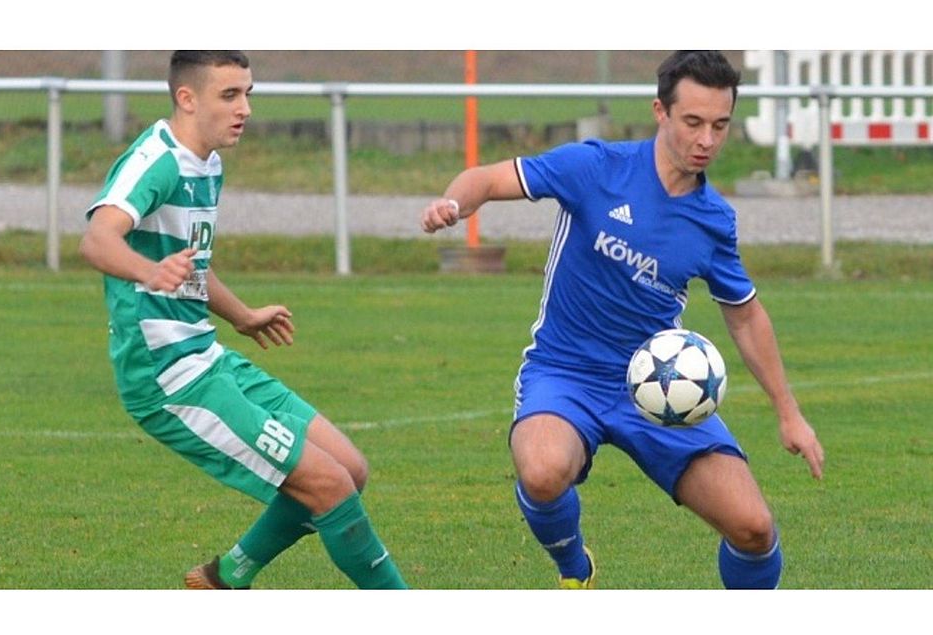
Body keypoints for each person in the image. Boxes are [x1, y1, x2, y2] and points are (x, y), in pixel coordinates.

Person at [421, 50, 824, 589]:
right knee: (541, 471)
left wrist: (789, 413)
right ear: (661, 112)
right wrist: (453, 203)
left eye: (720, 125)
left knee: (753, 528)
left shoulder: (714, 221)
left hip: (660, 384)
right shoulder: (595, 168)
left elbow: (746, 316)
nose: (707, 139)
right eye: (693, 122)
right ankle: (575, 573)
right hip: (566, 373)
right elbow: (489, 179)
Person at [80, 50, 406, 589]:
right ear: (187, 98)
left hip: (206, 356)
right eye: (230, 95)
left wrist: (243, 316)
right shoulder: (157, 161)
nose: (245, 109)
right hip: (167, 378)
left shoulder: (206, 163)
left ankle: (225, 577)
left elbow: (193, 264)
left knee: (350, 469)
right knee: (328, 487)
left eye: (248, 93)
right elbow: (97, 239)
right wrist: (149, 271)